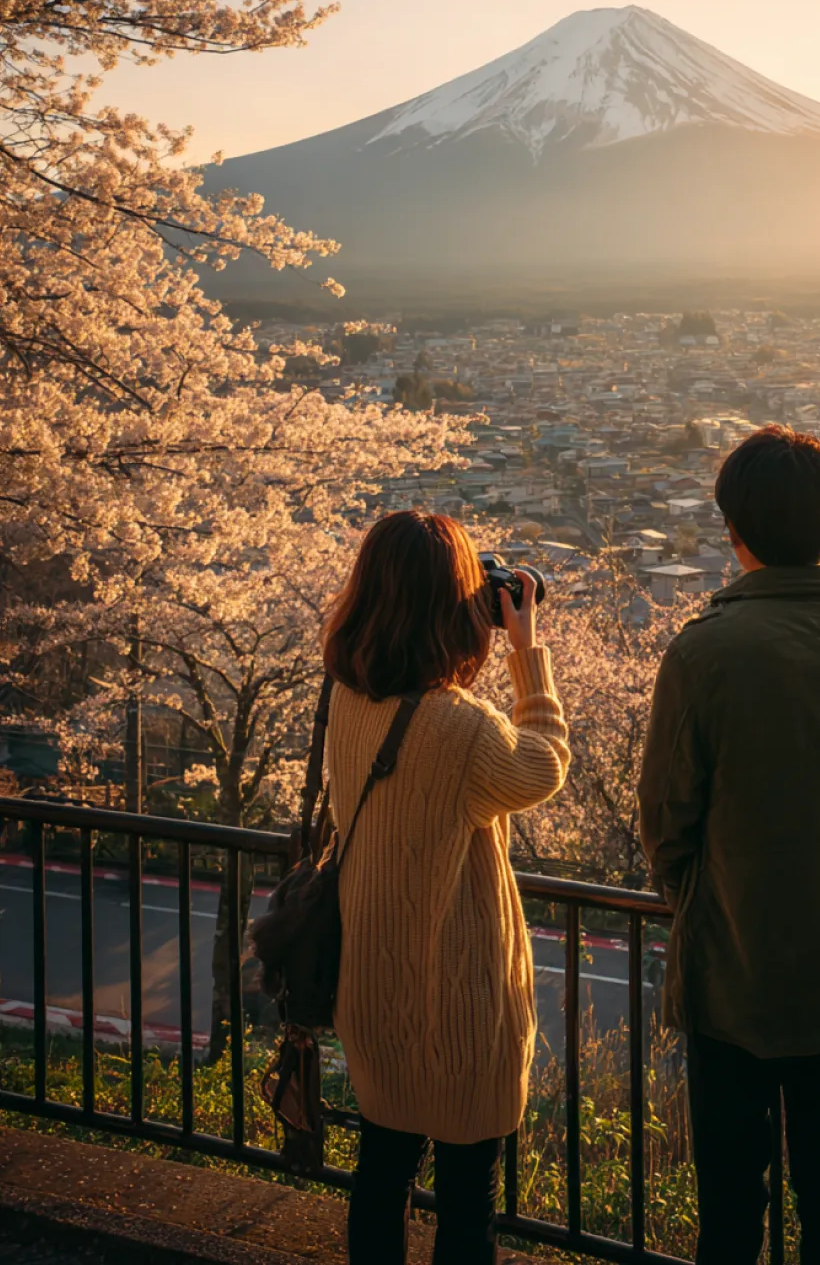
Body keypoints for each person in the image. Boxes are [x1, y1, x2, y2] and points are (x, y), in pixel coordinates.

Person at [637, 425, 820, 1265]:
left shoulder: (706, 651)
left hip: (737, 961)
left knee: (731, 1198)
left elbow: (667, 821)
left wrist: (694, 893)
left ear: (734, 527)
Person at [323, 511, 569, 1265]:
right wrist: (526, 653)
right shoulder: (461, 727)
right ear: (453, 606)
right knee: (468, 1204)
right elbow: (543, 765)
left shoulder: (347, 695)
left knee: (380, 1177)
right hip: (456, 1002)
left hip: (372, 982)